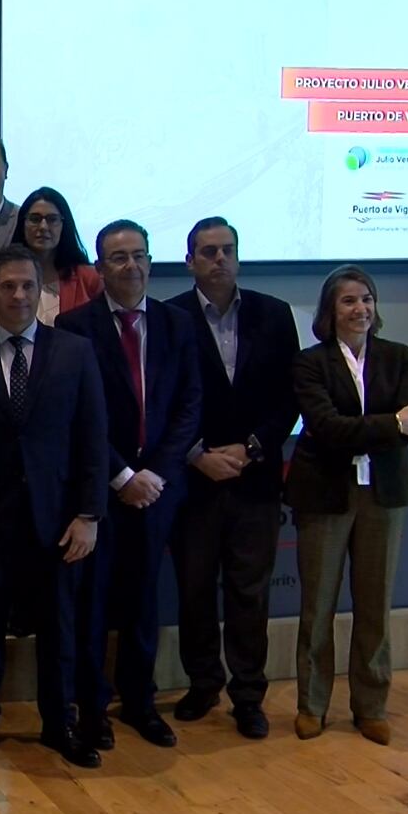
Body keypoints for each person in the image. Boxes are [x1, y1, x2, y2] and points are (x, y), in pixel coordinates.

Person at [0, 245, 108, 770]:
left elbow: (93, 438)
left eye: (27, 286)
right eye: (7, 286)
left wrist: (89, 514)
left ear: (41, 291)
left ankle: (60, 724)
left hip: (58, 520)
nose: (18, 295)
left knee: (60, 631)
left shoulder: (75, 352)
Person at [57, 219, 201, 753]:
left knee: (144, 601)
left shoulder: (177, 323)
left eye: (139, 255)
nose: (131, 265)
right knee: (93, 604)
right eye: (118, 257)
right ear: (99, 267)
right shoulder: (74, 327)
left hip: (158, 489)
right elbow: (78, 413)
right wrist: (121, 476)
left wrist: (155, 474)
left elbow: (189, 406)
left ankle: (140, 702)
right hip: (101, 488)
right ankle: (93, 708)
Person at [166, 217, 300, 739]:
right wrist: (197, 454)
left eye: (227, 250)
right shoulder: (170, 317)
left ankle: (248, 695)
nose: (219, 259)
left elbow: (289, 397)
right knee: (195, 589)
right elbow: (164, 399)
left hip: (255, 478)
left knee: (250, 592)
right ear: (190, 262)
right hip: (194, 480)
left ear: (238, 257)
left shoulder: (274, 313)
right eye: (208, 251)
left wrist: (251, 448)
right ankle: (203, 683)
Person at [287, 265, 408, 746]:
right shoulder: (309, 363)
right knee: (317, 606)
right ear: (330, 309)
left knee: (375, 605)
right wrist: (390, 424)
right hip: (325, 493)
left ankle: (371, 706)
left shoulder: (398, 356)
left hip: (384, 493)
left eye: (366, 299)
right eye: (348, 300)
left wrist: (381, 428)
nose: (360, 308)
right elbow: (325, 427)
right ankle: (312, 706)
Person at [0, 187, 102, 330]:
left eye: (52, 219)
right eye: (35, 219)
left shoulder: (89, 278)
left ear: (64, 225)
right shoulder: (2, 275)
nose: (43, 227)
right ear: (22, 224)